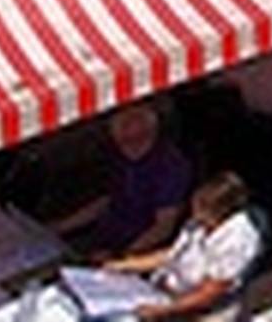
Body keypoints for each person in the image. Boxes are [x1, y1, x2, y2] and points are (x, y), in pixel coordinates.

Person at [55, 173, 262, 320]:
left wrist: (164, 311)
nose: (194, 215)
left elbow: (209, 293)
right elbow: (174, 253)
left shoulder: (238, 240)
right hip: (164, 292)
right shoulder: (199, 223)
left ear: (221, 212)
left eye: (202, 210)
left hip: (198, 310)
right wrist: (124, 265)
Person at [54, 106, 194, 260]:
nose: (124, 145)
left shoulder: (170, 167)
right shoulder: (119, 157)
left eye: (132, 140)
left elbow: (164, 226)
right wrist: (61, 227)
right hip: (104, 237)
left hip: (139, 251)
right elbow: (107, 201)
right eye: (120, 139)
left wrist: (121, 255)